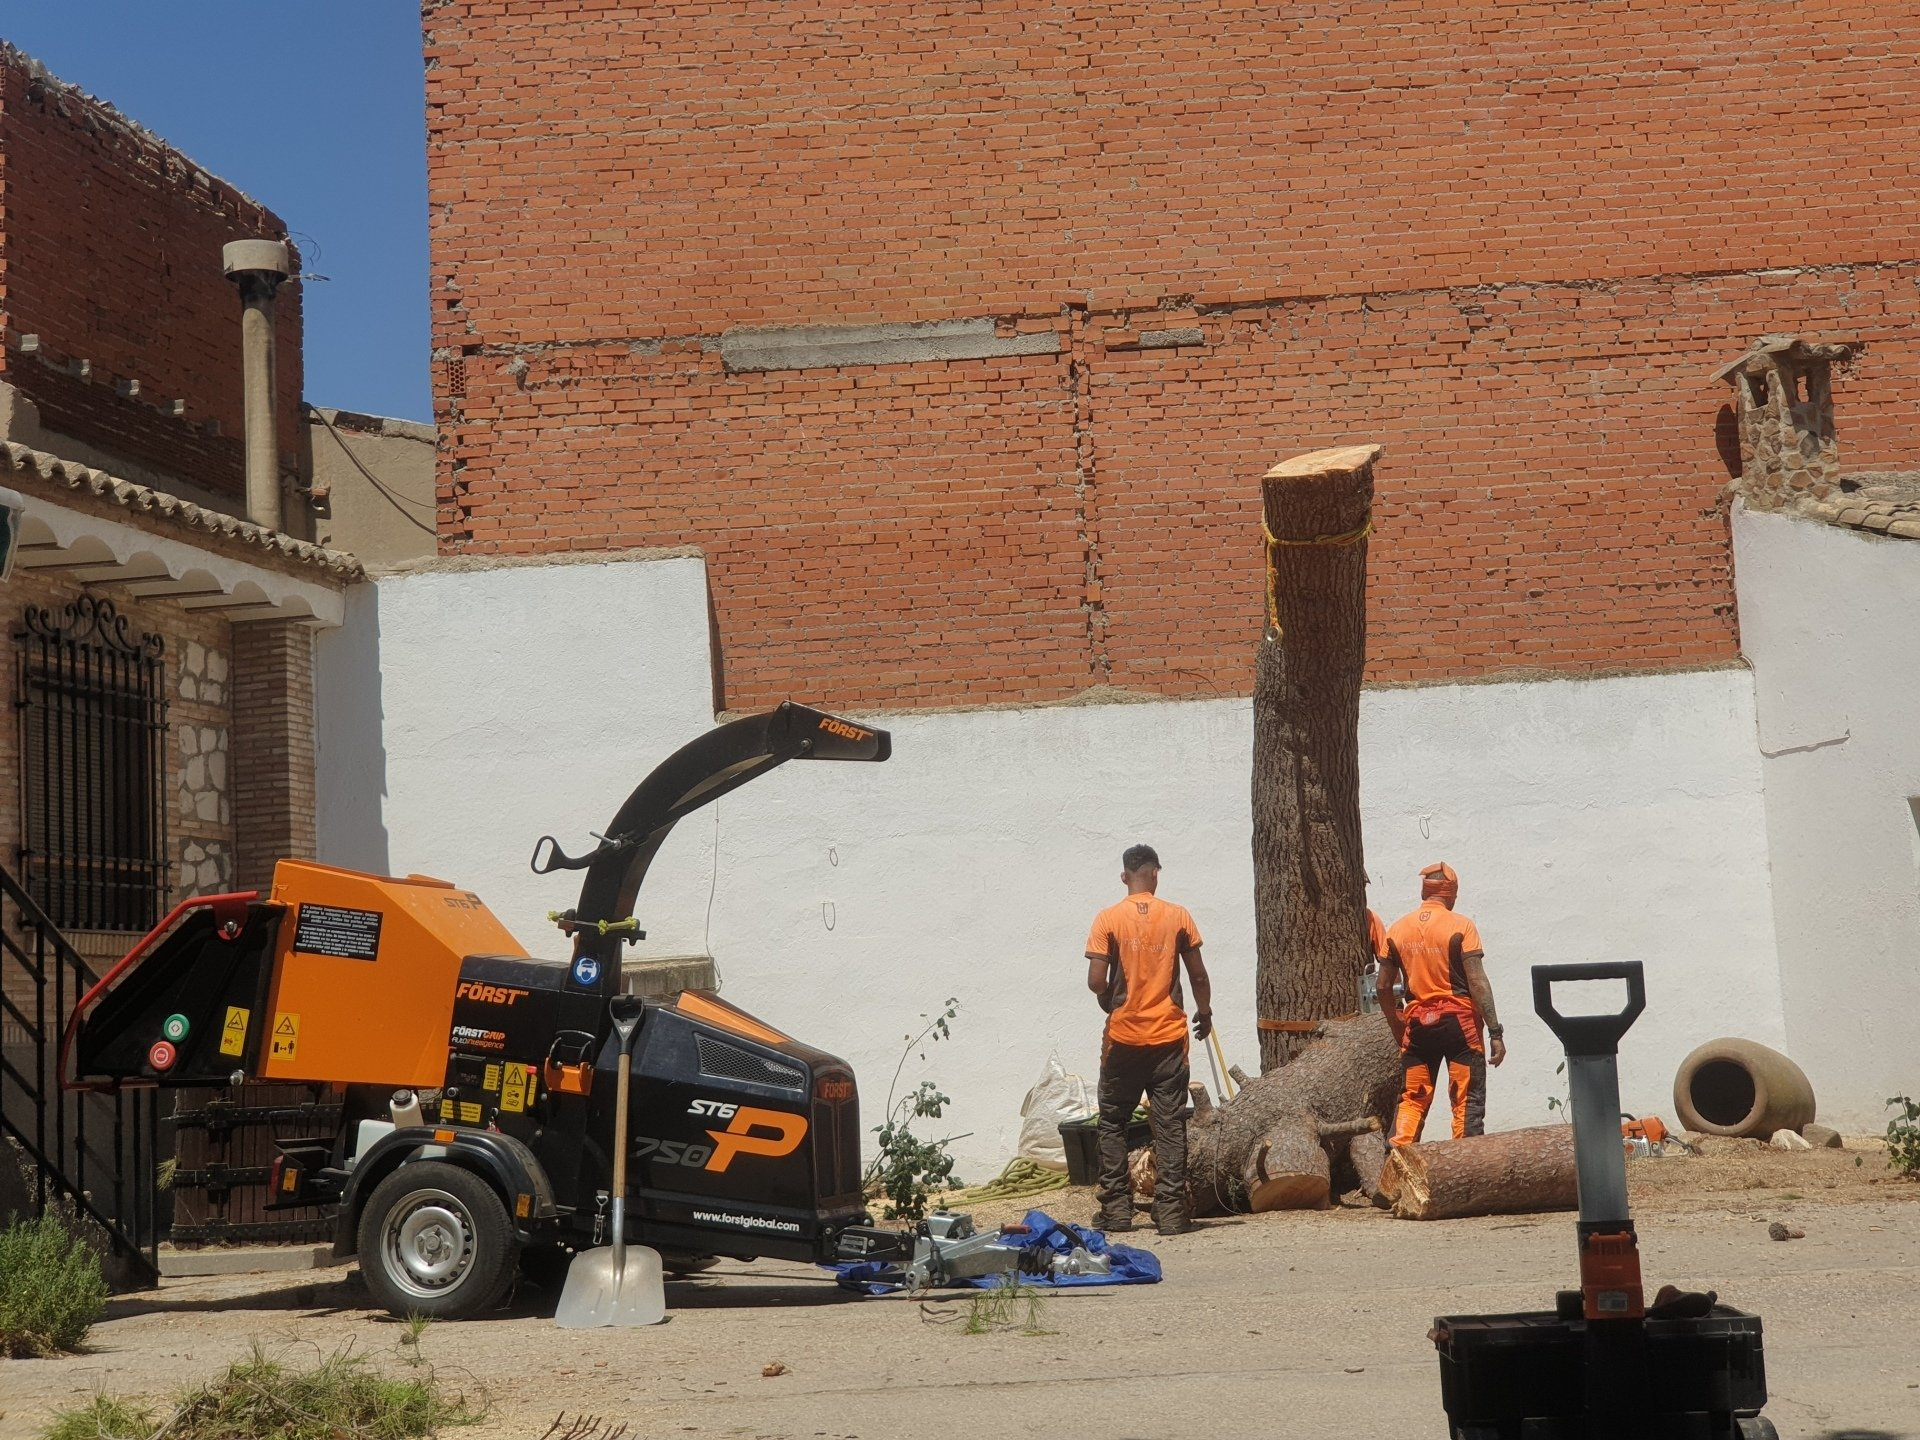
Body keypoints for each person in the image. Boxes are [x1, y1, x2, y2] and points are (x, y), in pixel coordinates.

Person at [1083, 844, 1212, 1235]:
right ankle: (1171, 1212)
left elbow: (1095, 981)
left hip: (1123, 1038)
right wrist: (1203, 1014)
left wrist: (1110, 1001)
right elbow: (1198, 976)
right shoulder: (1178, 917)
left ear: (1125, 876)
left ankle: (1117, 1212)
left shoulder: (1107, 919)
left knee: (1113, 1123)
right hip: (1169, 1039)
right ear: (1156, 873)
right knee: (1171, 1124)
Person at [1378, 862, 1505, 1147]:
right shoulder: (1461, 926)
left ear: (1425, 891)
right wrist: (1495, 1032)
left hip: (1417, 1025)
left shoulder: (1397, 929)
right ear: (1452, 892)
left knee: (1412, 1099)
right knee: (1465, 1101)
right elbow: (1477, 982)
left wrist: (1398, 1025)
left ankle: (1396, 1170)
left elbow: (1383, 987)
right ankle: (1467, 1173)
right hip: (1460, 1025)